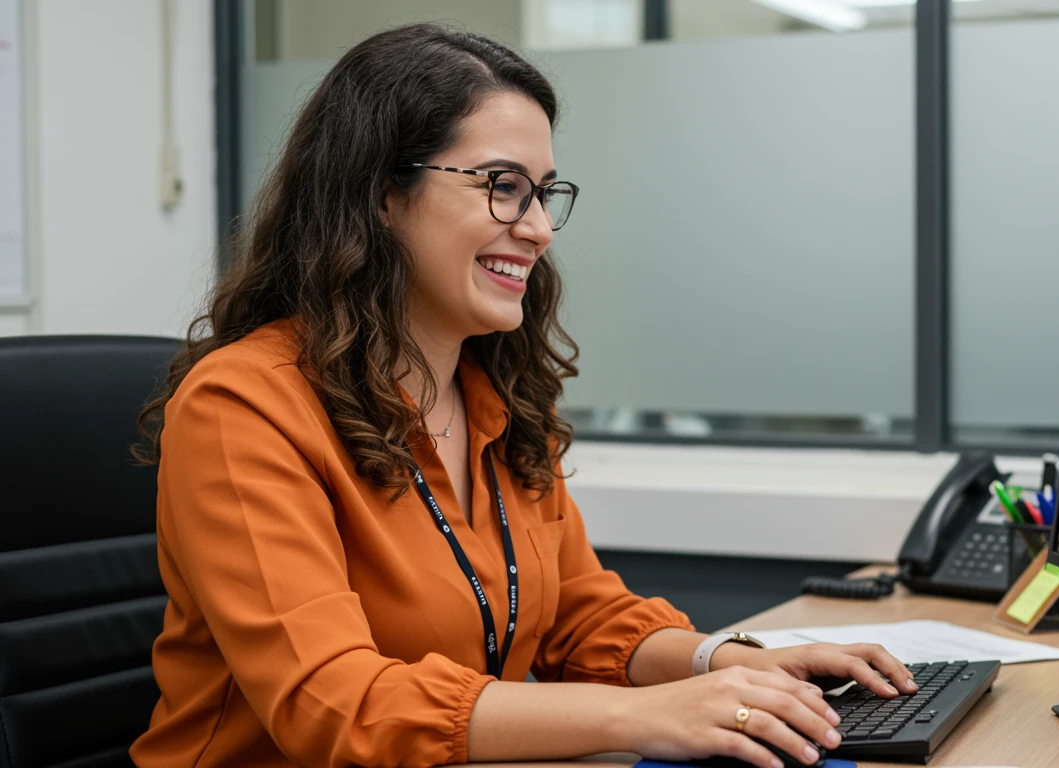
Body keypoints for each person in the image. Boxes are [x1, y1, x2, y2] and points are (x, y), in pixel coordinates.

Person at [128, 24, 915, 768]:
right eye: (503, 187)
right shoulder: (244, 406)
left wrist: (736, 663)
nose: (538, 227)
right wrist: (645, 716)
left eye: (544, 193)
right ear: (381, 194)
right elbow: (333, 702)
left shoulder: (489, 392)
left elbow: (579, 614)